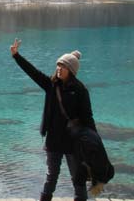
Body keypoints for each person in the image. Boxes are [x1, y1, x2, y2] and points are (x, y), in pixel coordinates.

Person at [10, 38, 95, 201]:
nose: (58, 68)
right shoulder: (51, 85)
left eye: (62, 66)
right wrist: (16, 56)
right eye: (58, 65)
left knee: (78, 180)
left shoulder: (80, 90)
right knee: (51, 177)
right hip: (54, 140)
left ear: (71, 70)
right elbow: (33, 72)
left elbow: (88, 118)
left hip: (73, 142)